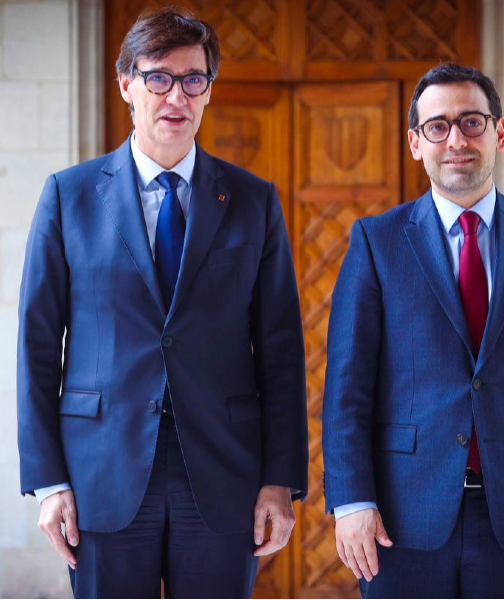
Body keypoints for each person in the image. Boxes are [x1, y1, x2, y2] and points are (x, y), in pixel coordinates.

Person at [17, 9, 307, 598]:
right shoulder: (69, 196)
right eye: (159, 78)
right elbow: (37, 346)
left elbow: (281, 351)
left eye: (193, 79)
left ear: (209, 90)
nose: (177, 96)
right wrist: (48, 483)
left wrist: (280, 480)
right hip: (100, 477)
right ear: (126, 84)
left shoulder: (253, 200)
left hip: (224, 476)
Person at [322, 63, 504, 599]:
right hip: (399, 519)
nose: (456, 140)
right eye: (438, 126)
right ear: (416, 143)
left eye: (471, 122)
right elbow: (346, 388)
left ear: (499, 132)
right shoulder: (376, 242)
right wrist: (352, 500)